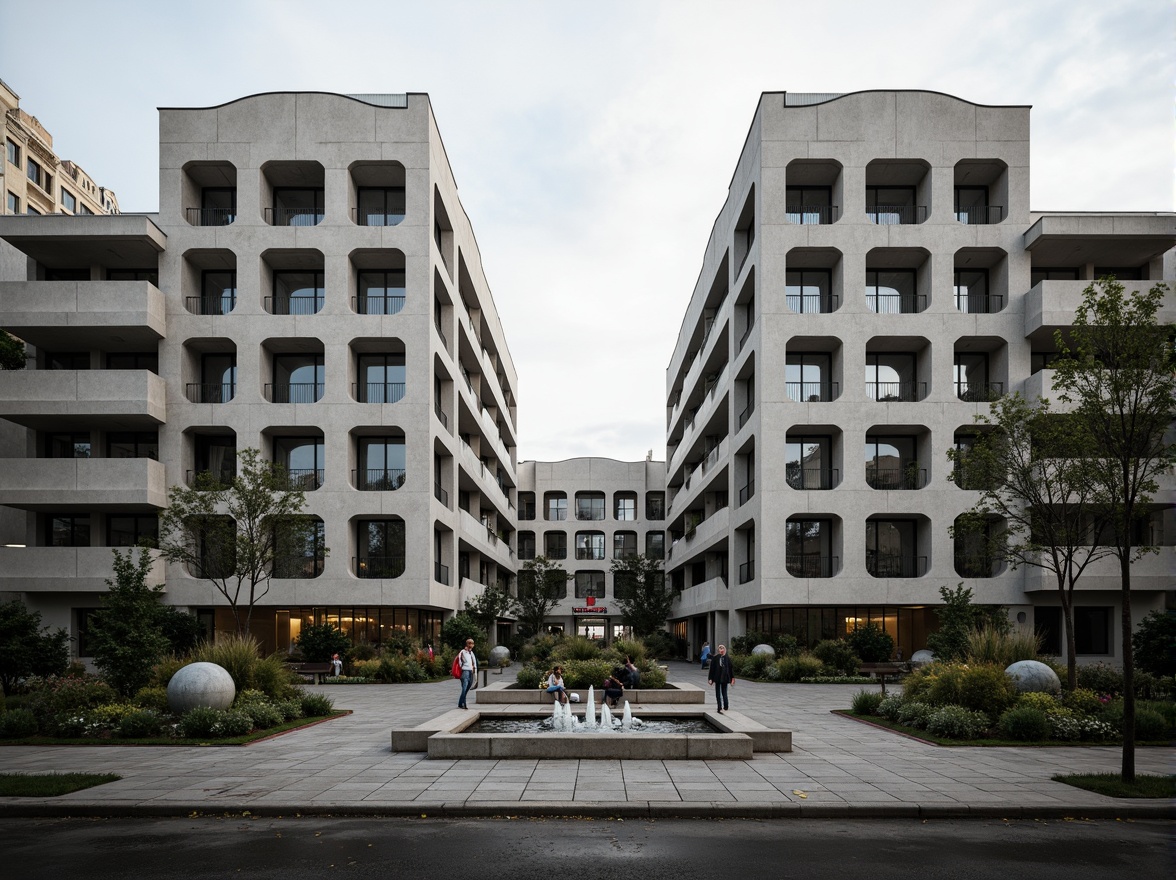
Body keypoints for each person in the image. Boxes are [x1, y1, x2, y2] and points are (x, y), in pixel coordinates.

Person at [707, 644, 734, 713]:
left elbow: (730, 669)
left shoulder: (727, 658)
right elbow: (712, 669)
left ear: (725, 650)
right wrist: (710, 678)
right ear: (718, 650)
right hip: (717, 677)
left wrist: (732, 678)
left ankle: (726, 706)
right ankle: (719, 707)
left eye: (722, 648)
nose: (721, 649)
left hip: (725, 678)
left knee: (724, 692)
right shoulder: (715, 658)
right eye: (720, 648)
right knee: (718, 693)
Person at [457, 638, 478, 709]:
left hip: (471, 672)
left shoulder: (471, 653)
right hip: (465, 672)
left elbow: (474, 663)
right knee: (464, 688)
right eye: (469, 643)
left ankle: (460, 703)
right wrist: (462, 668)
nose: (471, 645)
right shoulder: (463, 652)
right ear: (466, 644)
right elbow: (459, 661)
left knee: (467, 688)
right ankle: (464, 704)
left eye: (472, 643)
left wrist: (474, 671)